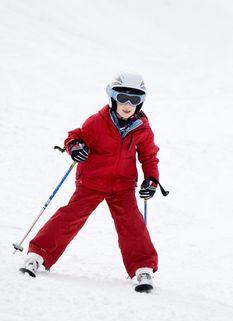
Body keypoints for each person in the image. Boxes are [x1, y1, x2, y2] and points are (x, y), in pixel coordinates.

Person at [20, 72, 167, 292]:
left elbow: (148, 157)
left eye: (135, 99)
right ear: (113, 98)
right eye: (123, 98)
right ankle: (38, 255)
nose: (128, 105)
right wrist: (75, 147)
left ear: (141, 102)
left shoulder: (142, 129)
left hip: (122, 186)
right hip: (92, 182)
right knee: (69, 217)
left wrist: (152, 180)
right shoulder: (97, 122)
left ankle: (142, 268)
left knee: (131, 225)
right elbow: (74, 136)